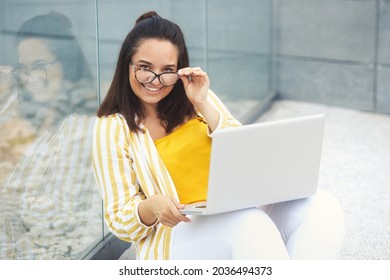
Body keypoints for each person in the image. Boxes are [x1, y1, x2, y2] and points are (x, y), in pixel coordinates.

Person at [92, 11, 345, 260]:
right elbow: (118, 220)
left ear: (180, 70)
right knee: (250, 225)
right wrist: (151, 207)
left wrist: (203, 104)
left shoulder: (197, 100)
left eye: (167, 70)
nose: (155, 80)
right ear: (127, 64)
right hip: (177, 233)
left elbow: (246, 151)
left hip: (239, 208)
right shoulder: (111, 127)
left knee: (323, 207)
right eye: (145, 68)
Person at [0, 11, 100, 259]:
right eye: (23, 70)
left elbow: (61, 220)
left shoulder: (79, 127)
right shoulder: (18, 104)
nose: (32, 79)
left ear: (66, 63)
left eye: (40, 66)